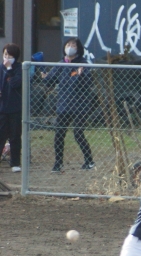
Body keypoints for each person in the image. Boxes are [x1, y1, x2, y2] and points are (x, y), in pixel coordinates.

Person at [42, 38, 94, 173]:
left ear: (78, 48)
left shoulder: (83, 64)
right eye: (68, 44)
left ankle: (89, 161)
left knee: (78, 133)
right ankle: (58, 163)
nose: (70, 47)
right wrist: (45, 77)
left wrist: (81, 75)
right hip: (64, 105)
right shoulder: (61, 64)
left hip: (80, 105)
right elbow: (50, 81)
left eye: (73, 45)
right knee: (59, 134)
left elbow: (88, 82)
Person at [0, 43, 22, 173]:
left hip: (15, 108)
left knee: (15, 136)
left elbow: (15, 83)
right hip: (2, 108)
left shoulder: (19, 68)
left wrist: (9, 69)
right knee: (1, 135)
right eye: (5, 55)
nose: (7, 58)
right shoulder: (0, 68)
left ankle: (15, 163)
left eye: (10, 56)